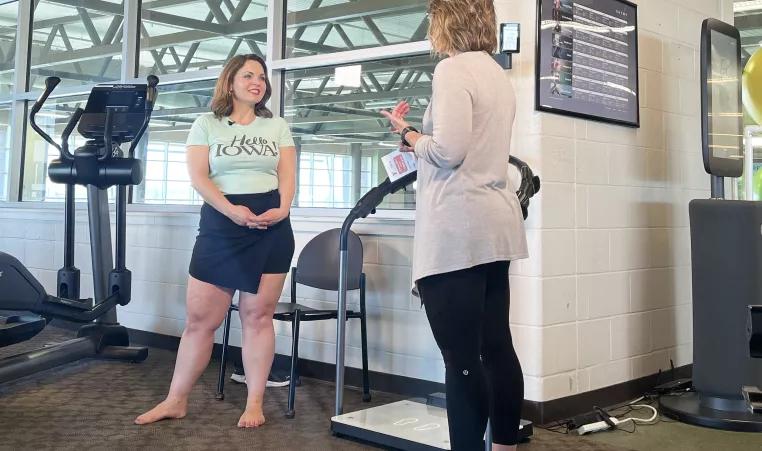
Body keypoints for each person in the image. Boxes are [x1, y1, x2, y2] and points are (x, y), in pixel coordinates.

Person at [380, 1, 528, 450]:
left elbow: (448, 152)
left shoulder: (452, 70)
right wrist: (414, 132)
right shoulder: (494, 71)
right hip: (494, 223)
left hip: (458, 228)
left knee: (460, 360)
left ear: (443, 23)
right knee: (496, 347)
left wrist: (408, 135)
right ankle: (502, 445)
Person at [135, 54, 297, 428]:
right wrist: (231, 211)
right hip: (222, 223)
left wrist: (284, 208)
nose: (257, 81)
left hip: (270, 223)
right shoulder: (206, 123)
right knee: (199, 320)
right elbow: (198, 178)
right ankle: (175, 400)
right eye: (248, 75)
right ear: (230, 81)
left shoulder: (277, 126)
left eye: (261, 77)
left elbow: (287, 176)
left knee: (257, 316)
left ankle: (254, 403)